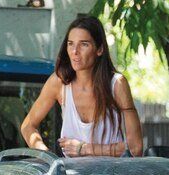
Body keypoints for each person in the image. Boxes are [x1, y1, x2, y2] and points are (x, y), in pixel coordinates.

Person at [21, 15, 143, 158]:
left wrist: (84, 149)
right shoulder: (59, 82)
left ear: (99, 49)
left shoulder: (117, 84)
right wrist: (48, 157)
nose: (75, 51)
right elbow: (27, 126)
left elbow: (135, 148)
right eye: (70, 43)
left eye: (84, 44)